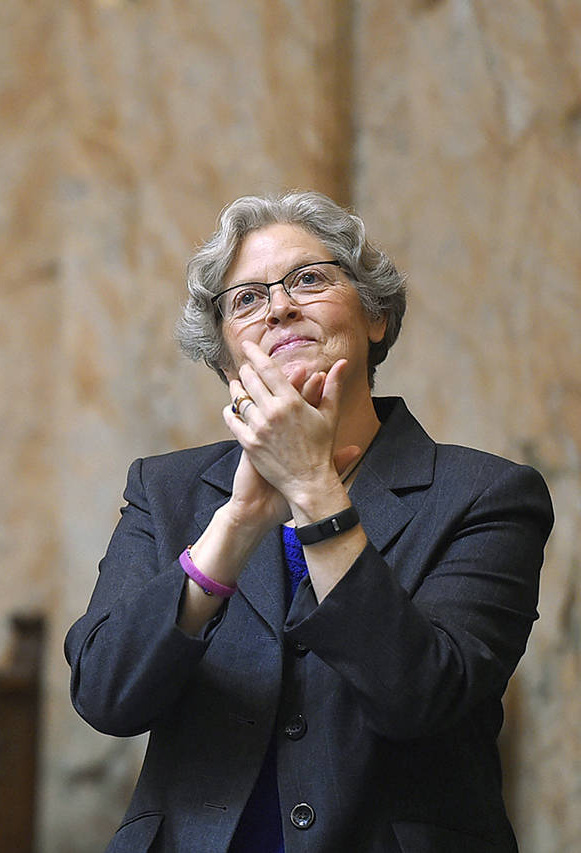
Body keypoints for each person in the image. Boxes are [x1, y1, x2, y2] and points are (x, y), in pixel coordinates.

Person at [65, 190, 552, 851]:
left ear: (374, 316)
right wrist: (236, 523)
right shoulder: (167, 489)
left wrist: (314, 490)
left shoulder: (487, 493)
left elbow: (423, 697)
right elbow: (106, 694)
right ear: (226, 358)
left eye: (309, 278)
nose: (279, 306)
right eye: (246, 299)